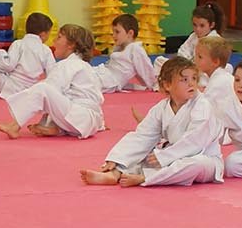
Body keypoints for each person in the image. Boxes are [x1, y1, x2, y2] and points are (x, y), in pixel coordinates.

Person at [81, 57, 222, 188]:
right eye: (184, 79)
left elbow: (195, 141)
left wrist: (165, 156)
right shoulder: (161, 108)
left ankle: (145, 178)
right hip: (172, 155)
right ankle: (114, 173)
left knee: (195, 164)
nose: (191, 83)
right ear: (167, 85)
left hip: (204, 158)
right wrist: (118, 158)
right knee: (143, 156)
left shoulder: (202, 105)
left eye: (194, 78)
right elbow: (143, 136)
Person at [0, 24, 105, 139]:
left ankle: (14, 126)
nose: (54, 40)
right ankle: (57, 129)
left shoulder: (69, 64)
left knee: (43, 88)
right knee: (50, 93)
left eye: (59, 37)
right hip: (87, 121)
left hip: (80, 116)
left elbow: (49, 89)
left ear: (71, 45)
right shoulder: (85, 66)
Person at [0, 12, 56, 97]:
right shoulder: (46, 50)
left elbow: (8, 66)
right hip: (32, 90)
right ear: (43, 34)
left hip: (12, 87)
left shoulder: (18, 44)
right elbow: (53, 74)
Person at [94, 14, 156, 94]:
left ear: (130, 33)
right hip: (105, 74)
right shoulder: (119, 47)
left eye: (117, 32)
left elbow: (145, 68)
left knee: (85, 80)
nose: (113, 35)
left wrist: (153, 85)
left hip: (110, 81)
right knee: (84, 73)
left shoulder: (135, 49)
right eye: (113, 32)